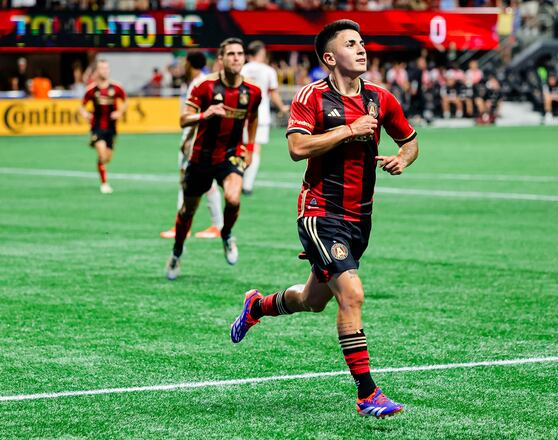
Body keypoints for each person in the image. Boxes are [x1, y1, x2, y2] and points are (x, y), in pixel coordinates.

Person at [229, 20, 419, 418]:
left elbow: (410, 140)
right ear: (331, 57)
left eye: (363, 42)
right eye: (352, 44)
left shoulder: (381, 98)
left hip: (360, 220)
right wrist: (349, 130)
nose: (362, 48)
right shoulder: (311, 97)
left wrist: (403, 158)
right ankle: (367, 393)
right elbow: (297, 147)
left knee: (312, 301)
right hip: (320, 213)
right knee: (351, 295)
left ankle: (257, 307)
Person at [164, 38, 261, 279]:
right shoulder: (203, 86)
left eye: (240, 53)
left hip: (231, 154)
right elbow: (183, 120)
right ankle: (176, 253)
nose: (236, 58)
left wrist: (249, 146)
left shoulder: (253, 91)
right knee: (188, 211)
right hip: (202, 157)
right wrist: (205, 114)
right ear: (221, 59)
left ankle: (226, 234)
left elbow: (254, 117)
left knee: (233, 198)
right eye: (231, 54)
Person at [160, 52, 225, 240]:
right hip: (199, 139)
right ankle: (212, 225)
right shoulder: (200, 82)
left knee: (191, 181)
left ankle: (193, 226)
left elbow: (197, 116)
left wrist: (188, 140)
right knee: (197, 182)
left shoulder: (199, 84)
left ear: (189, 63)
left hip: (196, 140)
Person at [240, 40, 290, 195]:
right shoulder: (268, 71)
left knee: (240, 148)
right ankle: (247, 185)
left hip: (241, 114)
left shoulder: (242, 68)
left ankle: (236, 179)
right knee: (255, 149)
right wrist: (282, 107)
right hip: (260, 116)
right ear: (261, 54)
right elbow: (273, 93)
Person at [79, 60, 127, 194]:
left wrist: (119, 112)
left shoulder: (116, 87)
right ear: (98, 71)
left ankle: (99, 157)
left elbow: (125, 102)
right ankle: (104, 183)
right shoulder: (92, 89)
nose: (104, 71)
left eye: (106, 68)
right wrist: (86, 114)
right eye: (102, 68)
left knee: (107, 158)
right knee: (101, 152)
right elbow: (81, 106)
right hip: (97, 126)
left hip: (111, 129)